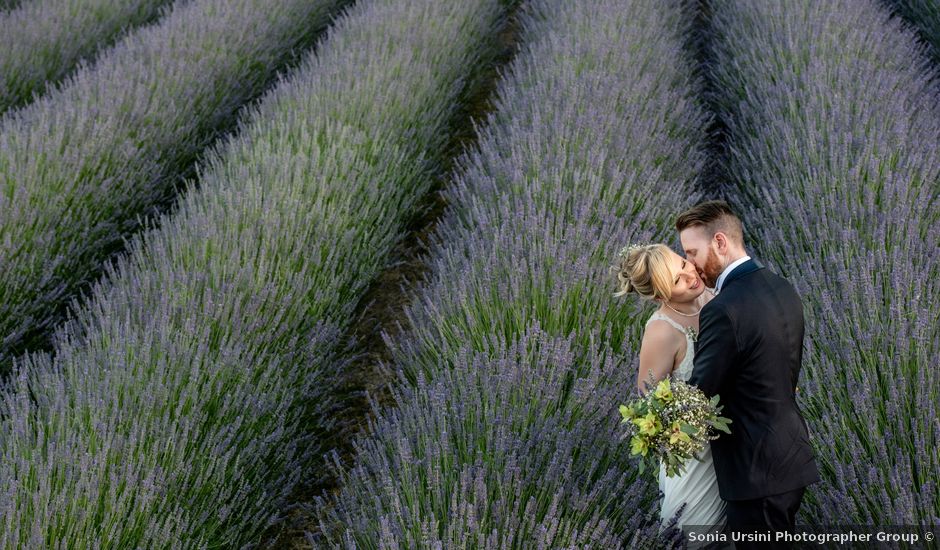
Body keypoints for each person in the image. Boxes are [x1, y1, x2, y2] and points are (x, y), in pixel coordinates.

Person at [676, 200, 820, 549]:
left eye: (693, 252)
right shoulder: (782, 287)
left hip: (754, 469)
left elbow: (700, 392)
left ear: (721, 242)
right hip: (789, 453)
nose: (691, 264)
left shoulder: (724, 309)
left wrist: (663, 424)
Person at [613, 242, 727, 546]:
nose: (690, 275)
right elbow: (648, 406)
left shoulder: (714, 296)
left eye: (683, 264)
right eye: (677, 280)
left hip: (735, 441)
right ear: (660, 295)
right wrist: (689, 423)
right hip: (694, 456)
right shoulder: (662, 332)